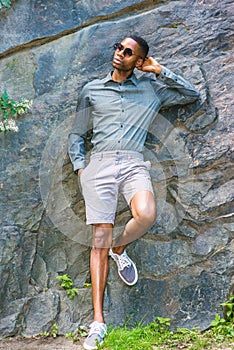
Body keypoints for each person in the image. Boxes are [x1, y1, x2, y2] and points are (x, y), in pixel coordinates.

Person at [68, 35, 200, 350]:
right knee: (98, 239)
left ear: (138, 61)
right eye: (118, 47)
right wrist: (80, 168)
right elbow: (76, 133)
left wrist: (159, 70)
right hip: (98, 165)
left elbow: (191, 94)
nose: (120, 54)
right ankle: (98, 323)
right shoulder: (92, 90)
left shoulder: (151, 90)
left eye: (128, 52)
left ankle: (120, 248)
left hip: (132, 164)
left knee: (147, 213)